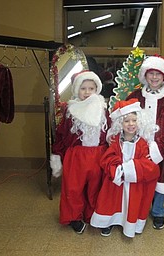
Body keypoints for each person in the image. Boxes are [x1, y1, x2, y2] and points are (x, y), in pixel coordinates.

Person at [126, 55, 164, 230]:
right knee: (140, 180)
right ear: (144, 75)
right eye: (150, 73)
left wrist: (161, 148)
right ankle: (139, 210)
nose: (154, 77)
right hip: (138, 148)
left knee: (161, 181)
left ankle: (158, 211)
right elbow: (125, 117)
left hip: (163, 149)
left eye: (158, 74)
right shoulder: (135, 96)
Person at [50, 70, 109, 234]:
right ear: (77, 90)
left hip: (98, 155)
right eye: (83, 88)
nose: (87, 92)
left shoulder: (103, 109)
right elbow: (62, 135)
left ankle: (93, 215)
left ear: (96, 89)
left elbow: (111, 132)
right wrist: (57, 155)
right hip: (76, 156)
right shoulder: (71, 111)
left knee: (95, 188)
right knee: (73, 188)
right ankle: (74, 217)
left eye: (91, 88)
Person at [90, 98, 160, 238]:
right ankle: (107, 222)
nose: (131, 124)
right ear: (120, 123)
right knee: (111, 202)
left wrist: (130, 169)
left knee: (130, 204)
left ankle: (128, 224)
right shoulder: (115, 140)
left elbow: (149, 165)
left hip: (135, 183)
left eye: (134, 120)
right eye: (126, 121)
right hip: (116, 180)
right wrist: (118, 170)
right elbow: (107, 159)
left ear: (138, 122)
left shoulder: (143, 143)